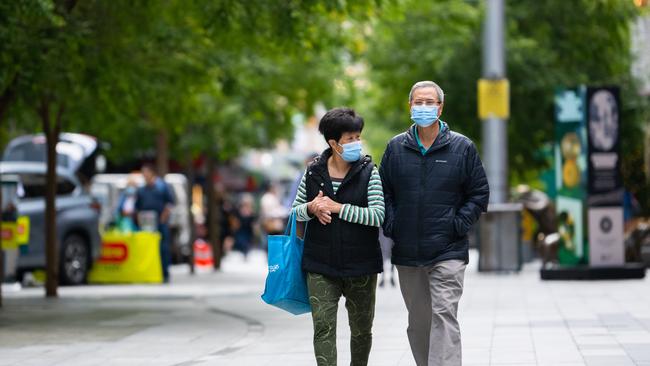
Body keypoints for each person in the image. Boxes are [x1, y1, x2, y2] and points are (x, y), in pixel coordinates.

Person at [380, 81, 489, 366]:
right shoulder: (395, 148)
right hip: (408, 251)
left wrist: (458, 224)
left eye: (430, 102)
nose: (424, 107)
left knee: (444, 314)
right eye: (419, 102)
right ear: (410, 106)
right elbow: (383, 192)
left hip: (448, 249)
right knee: (419, 322)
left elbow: (479, 194)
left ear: (440, 107)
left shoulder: (462, 147)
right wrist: (393, 225)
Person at [292, 107, 385, 366]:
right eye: (350, 139)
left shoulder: (369, 172)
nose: (357, 143)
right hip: (320, 264)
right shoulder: (312, 172)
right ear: (333, 143)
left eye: (358, 137)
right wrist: (312, 208)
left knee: (361, 331)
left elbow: (378, 215)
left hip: (361, 265)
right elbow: (295, 212)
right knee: (323, 328)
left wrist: (338, 208)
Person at [135, 164, 175, 283]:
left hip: (160, 221)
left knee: (163, 248)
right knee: (148, 248)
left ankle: (164, 273)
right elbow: (137, 207)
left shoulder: (162, 187)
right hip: (146, 223)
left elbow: (170, 203)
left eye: (146, 173)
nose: (144, 175)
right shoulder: (141, 190)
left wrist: (164, 216)